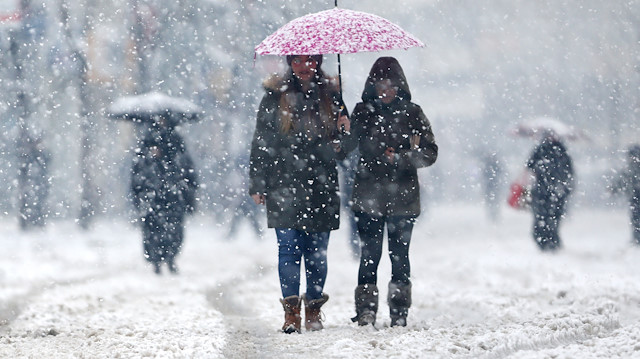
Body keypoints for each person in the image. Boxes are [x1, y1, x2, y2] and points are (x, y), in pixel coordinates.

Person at [249, 54, 350, 333]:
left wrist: (345, 131)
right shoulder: (274, 96)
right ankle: (291, 313)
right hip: (283, 184)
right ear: (289, 63)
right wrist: (257, 182)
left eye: (310, 61)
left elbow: (344, 152)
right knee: (289, 248)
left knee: (317, 252)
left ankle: (314, 309)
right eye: (298, 61)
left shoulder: (333, 97)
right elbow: (262, 141)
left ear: (318, 62)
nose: (305, 67)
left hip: (321, 186)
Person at [343, 57, 438, 327]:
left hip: (402, 200)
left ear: (400, 86)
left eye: (391, 86)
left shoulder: (413, 113)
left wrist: (402, 158)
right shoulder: (362, 112)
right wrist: (342, 126)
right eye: (381, 85)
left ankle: (399, 310)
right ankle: (366, 310)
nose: (386, 91)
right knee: (369, 256)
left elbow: (430, 154)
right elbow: (344, 149)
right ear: (373, 86)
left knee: (400, 256)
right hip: (368, 196)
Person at [130, 118, 198, 275]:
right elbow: (138, 172)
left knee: (173, 230)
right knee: (153, 230)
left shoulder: (176, 142)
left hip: (172, 196)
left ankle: (170, 258)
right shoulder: (146, 141)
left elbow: (186, 168)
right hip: (152, 197)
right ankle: (156, 260)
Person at [526, 130, 574, 251]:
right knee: (546, 218)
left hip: (551, 192)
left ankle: (550, 241)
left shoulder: (559, 152)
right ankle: (547, 241)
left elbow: (568, 173)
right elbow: (529, 166)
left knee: (550, 218)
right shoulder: (557, 151)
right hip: (548, 192)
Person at [610, 144, 640, 245]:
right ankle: (637, 237)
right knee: (636, 217)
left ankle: (637, 237)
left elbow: (624, 179)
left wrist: (614, 189)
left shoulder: (632, 167)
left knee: (635, 218)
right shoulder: (632, 167)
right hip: (635, 195)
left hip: (635, 196)